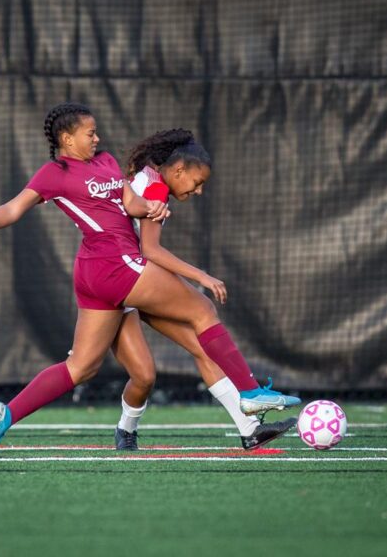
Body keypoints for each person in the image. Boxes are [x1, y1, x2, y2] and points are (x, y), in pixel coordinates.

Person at [0, 102, 300, 453]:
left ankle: (6, 415)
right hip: (114, 263)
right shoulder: (53, 173)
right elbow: (13, 208)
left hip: (98, 272)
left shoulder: (104, 161)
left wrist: (151, 207)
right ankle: (252, 394)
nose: (97, 137)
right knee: (202, 310)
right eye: (90, 133)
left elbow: (130, 202)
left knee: (82, 367)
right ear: (67, 138)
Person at [110, 129, 298, 451]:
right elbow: (151, 250)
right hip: (121, 278)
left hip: (123, 278)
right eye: (197, 182)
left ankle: (250, 428)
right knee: (197, 317)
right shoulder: (155, 186)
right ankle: (251, 393)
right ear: (179, 169)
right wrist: (204, 277)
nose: (198, 191)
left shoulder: (146, 176)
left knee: (184, 354)